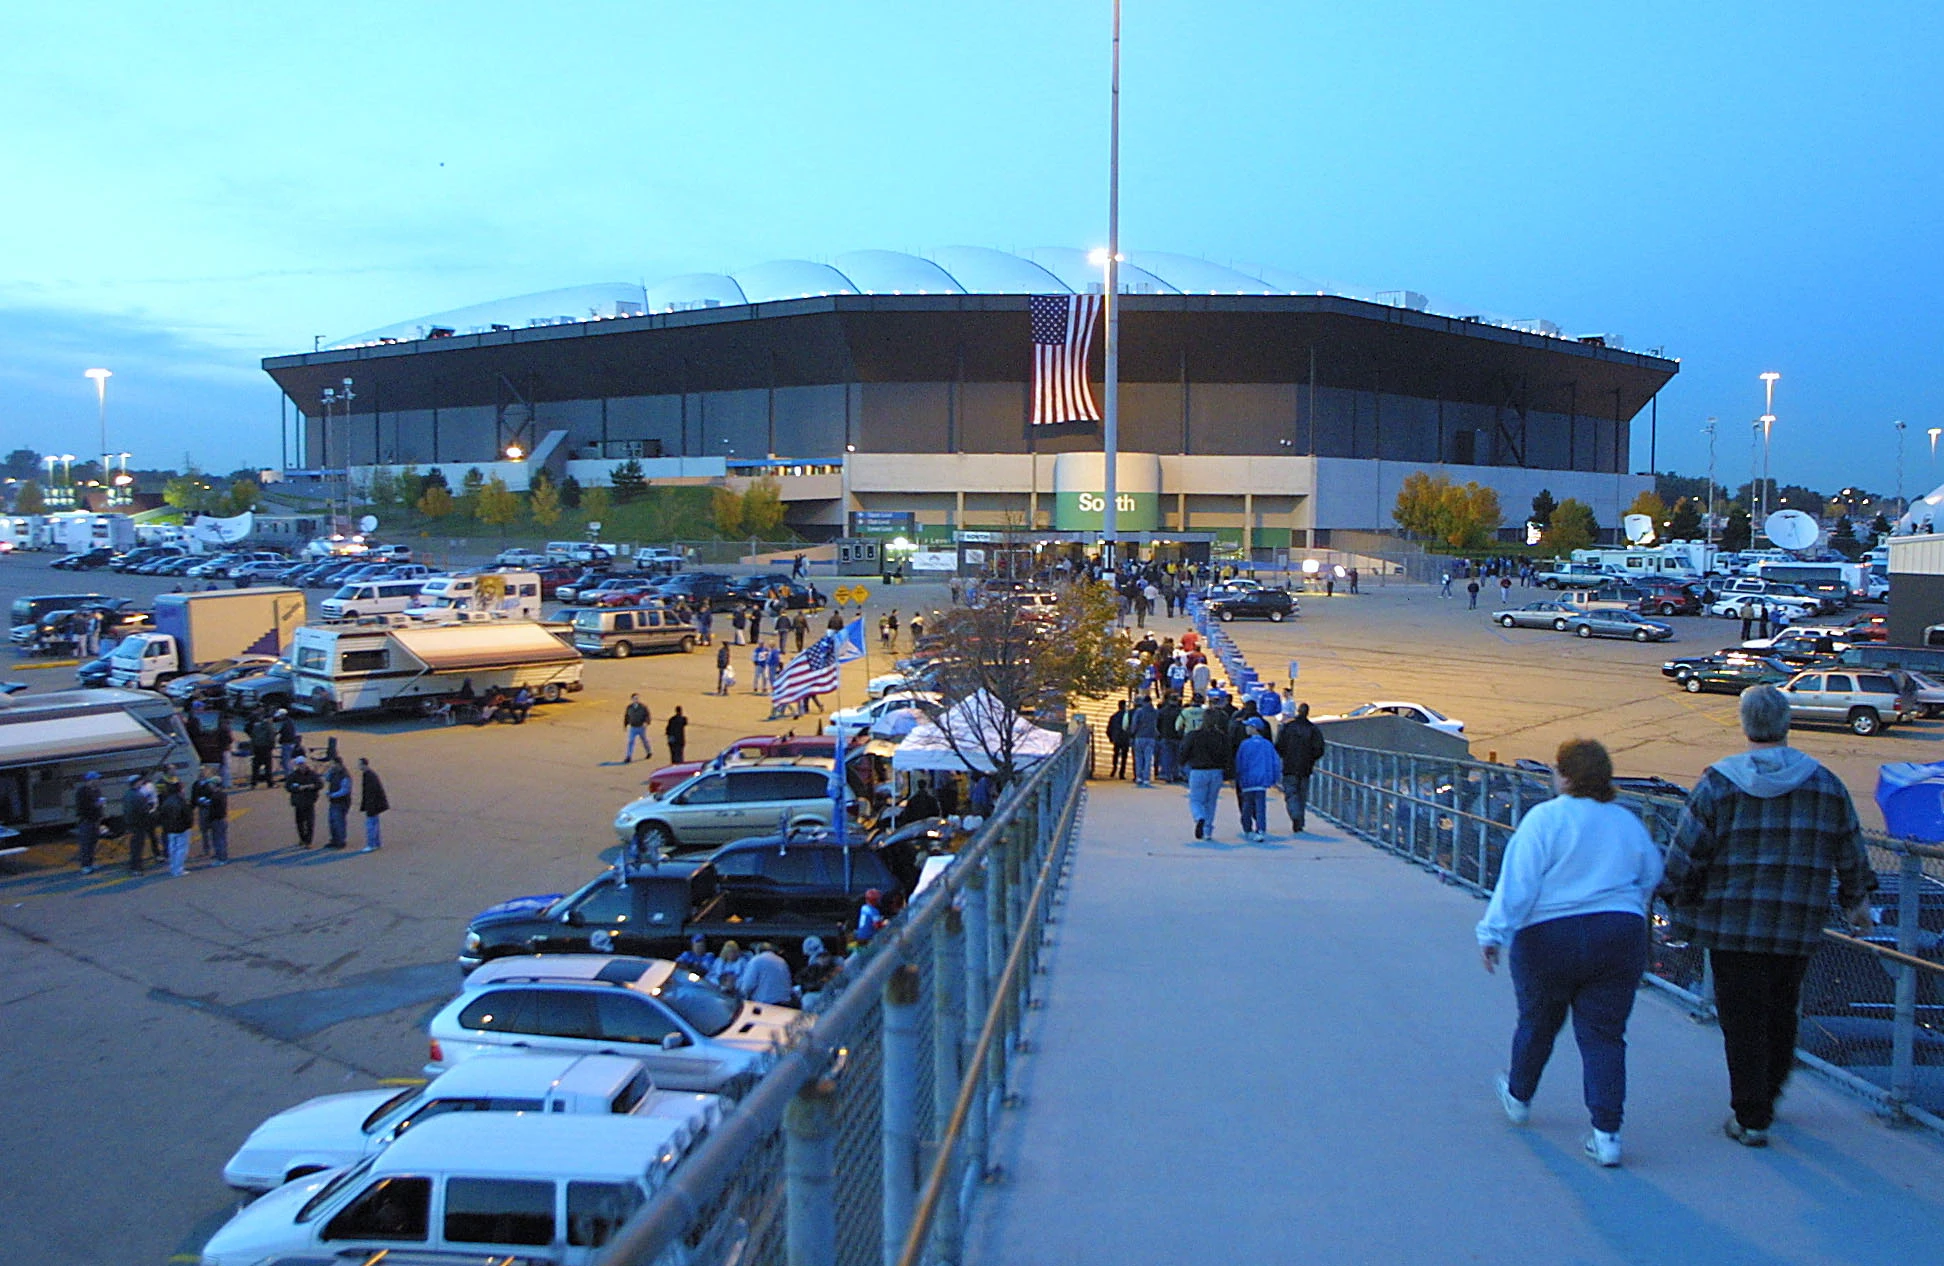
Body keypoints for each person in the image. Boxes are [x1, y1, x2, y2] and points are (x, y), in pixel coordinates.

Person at [1659, 685, 1877, 1148]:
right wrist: (1856, 900)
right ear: (1787, 722)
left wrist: (1675, 895)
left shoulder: (1719, 783)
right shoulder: (1825, 783)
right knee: (1781, 1010)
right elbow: (1851, 850)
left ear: (1745, 724)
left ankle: (1751, 1114)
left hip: (1731, 924)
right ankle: (1770, 1094)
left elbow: (1687, 852)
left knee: (1741, 1019)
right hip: (1797, 923)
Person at [1476, 738, 1663, 1168]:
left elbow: (1518, 884)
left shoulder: (1544, 819)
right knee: (1603, 1036)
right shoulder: (1626, 822)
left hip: (1549, 936)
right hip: (1618, 932)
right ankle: (1607, 1134)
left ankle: (1520, 1097)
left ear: (1563, 775)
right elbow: (1651, 873)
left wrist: (1493, 934)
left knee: (1538, 1022)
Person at [1274, 702, 1327, 832]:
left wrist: (1285, 756)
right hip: (1305, 768)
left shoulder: (1288, 727)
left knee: (1291, 794)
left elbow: (1279, 745)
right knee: (1302, 795)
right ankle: (1300, 822)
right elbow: (1319, 749)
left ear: (1298, 711)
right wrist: (1311, 759)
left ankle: (1295, 815)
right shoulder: (1313, 729)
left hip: (1290, 766)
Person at [1180, 709, 1232, 841]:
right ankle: (1208, 830)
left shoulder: (1194, 735)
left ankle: (1199, 817)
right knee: (1211, 801)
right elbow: (1227, 755)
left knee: (1196, 800)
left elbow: (1184, 751)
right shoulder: (1222, 737)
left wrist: (1182, 763)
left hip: (1198, 770)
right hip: (1216, 771)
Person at [1233, 719, 1282, 842]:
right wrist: (1273, 778)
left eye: (1248, 726)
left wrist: (1238, 777)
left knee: (1247, 806)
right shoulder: (1267, 744)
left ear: (1254, 728)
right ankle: (1260, 830)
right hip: (1261, 780)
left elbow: (1240, 762)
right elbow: (1275, 762)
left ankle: (1247, 828)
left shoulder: (1244, 744)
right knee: (1260, 807)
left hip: (1247, 779)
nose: (1246, 728)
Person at [156, 778, 193, 878]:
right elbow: (187, 816)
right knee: (181, 849)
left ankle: (173, 868)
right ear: (180, 790)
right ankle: (179, 869)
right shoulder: (181, 801)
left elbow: (161, 815)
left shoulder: (166, 801)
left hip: (170, 829)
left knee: (172, 848)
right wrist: (189, 825)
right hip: (182, 828)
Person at [192, 766, 229, 865]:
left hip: (216, 819)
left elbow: (214, 807)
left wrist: (207, 803)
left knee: (218, 839)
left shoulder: (216, 796)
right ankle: (221, 856)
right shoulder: (220, 794)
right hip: (219, 819)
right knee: (219, 838)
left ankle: (221, 858)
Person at [285, 756, 322, 848]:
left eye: (303, 764)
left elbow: (320, 784)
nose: (302, 766)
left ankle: (308, 841)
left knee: (310, 822)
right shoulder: (293, 775)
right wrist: (297, 788)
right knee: (300, 822)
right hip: (298, 802)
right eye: (300, 765)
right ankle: (302, 838)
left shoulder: (312, 774)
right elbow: (288, 787)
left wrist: (312, 786)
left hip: (309, 801)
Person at [123, 774, 155, 874]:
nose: (141, 783)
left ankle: (135, 865)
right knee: (138, 846)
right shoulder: (137, 796)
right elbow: (142, 811)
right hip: (138, 824)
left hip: (131, 824)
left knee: (134, 846)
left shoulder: (128, 794)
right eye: (140, 781)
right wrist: (149, 807)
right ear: (136, 783)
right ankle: (136, 868)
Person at [74, 771, 104, 874]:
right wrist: (96, 805)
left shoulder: (96, 791)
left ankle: (90, 863)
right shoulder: (82, 792)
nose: (98, 781)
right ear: (90, 780)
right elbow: (82, 807)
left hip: (95, 820)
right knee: (86, 844)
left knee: (93, 843)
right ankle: (85, 865)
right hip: (86, 820)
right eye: (96, 779)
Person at [357, 757, 389, 852]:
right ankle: (377, 843)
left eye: (359, 764)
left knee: (371, 825)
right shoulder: (370, 774)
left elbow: (370, 793)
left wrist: (368, 806)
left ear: (364, 765)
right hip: (375, 804)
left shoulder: (368, 776)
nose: (358, 766)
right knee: (375, 824)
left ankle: (371, 845)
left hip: (373, 805)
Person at [1130, 695, 1160, 787]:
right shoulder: (1155, 712)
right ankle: (1146, 778)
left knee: (1139, 758)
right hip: (1151, 737)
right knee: (1148, 758)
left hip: (1139, 736)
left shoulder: (1139, 711)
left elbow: (1134, 724)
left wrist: (1132, 733)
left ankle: (1139, 776)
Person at [324, 757, 353, 850]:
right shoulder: (334, 772)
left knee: (339, 821)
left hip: (342, 802)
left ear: (339, 764)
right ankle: (334, 840)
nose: (332, 766)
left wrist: (333, 795)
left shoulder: (345, 775)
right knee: (332, 821)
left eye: (333, 764)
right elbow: (326, 778)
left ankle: (341, 841)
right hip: (334, 801)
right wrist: (329, 771)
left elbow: (345, 790)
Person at [247, 711, 276, 789]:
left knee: (256, 767)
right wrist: (272, 747)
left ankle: (253, 784)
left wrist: (252, 748)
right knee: (268, 766)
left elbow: (253, 737)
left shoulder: (256, 726)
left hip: (257, 748)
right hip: (266, 748)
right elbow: (271, 738)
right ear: (270, 718)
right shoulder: (270, 726)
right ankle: (270, 783)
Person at [1106, 700, 1132, 780]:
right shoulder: (1128, 716)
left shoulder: (1114, 716)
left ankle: (1114, 768)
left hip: (1117, 738)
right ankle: (1122, 772)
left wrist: (1111, 737)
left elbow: (1109, 728)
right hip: (1125, 738)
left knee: (1116, 754)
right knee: (1124, 756)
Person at [622, 694, 651, 763]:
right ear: (632, 699)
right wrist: (625, 725)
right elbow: (626, 716)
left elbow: (647, 715)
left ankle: (649, 751)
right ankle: (629, 756)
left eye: (637, 698)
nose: (636, 700)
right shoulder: (629, 707)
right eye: (634, 698)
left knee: (644, 740)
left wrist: (646, 722)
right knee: (631, 741)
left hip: (641, 727)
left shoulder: (643, 707)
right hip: (633, 727)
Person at [276, 709, 300, 780]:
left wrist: (280, 739)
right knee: (287, 761)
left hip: (287, 743)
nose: (279, 717)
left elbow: (286, 734)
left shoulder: (286, 723)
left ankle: (289, 777)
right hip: (290, 743)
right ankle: (289, 775)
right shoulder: (289, 722)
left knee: (286, 761)